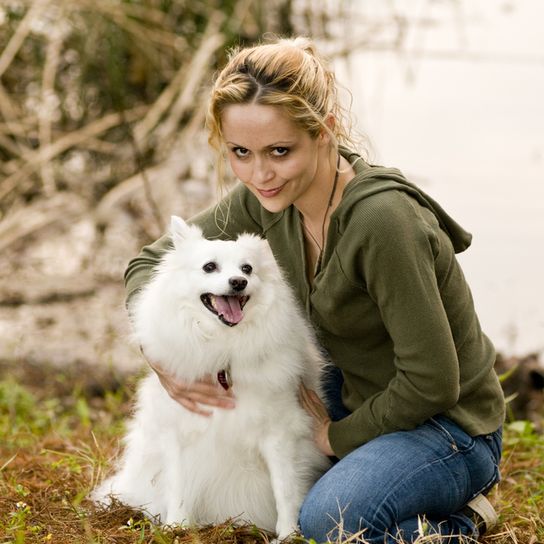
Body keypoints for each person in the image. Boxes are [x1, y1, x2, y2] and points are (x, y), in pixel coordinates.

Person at [124, 36, 505, 543]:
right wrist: (160, 356)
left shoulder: (383, 222)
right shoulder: (265, 199)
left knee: (326, 520)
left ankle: (464, 520)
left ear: (324, 130)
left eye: (280, 151)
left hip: (446, 427)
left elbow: (434, 381)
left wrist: (334, 436)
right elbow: (150, 262)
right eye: (241, 153)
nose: (260, 173)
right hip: (352, 400)